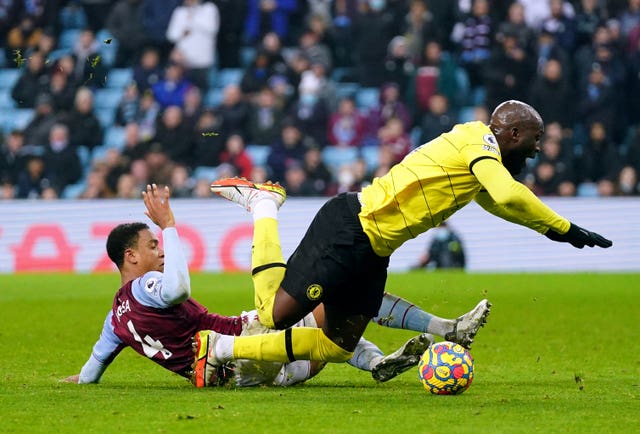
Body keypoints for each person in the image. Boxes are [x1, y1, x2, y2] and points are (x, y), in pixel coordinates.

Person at [202, 100, 612, 382]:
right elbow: (507, 193)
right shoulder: (479, 140)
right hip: (350, 228)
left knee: (338, 347)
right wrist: (564, 227)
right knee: (273, 315)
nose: (538, 150)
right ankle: (264, 205)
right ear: (514, 132)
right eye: (535, 140)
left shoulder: (479, 160)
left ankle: (222, 350)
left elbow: (499, 204)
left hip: (373, 251)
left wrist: (550, 230)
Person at [63, 184, 489, 387]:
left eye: (160, 243)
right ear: (130, 258)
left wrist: (76, 385)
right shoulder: (148, 284)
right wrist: (170, 226)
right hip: (242, 340)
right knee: (341, 293)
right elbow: (175, 289)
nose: (160, 250)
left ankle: (377, 362)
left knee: (330, 338)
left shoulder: (115, 319)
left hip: (237, 378)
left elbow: (92, 369)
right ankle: (445, 330)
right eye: (152, 245)